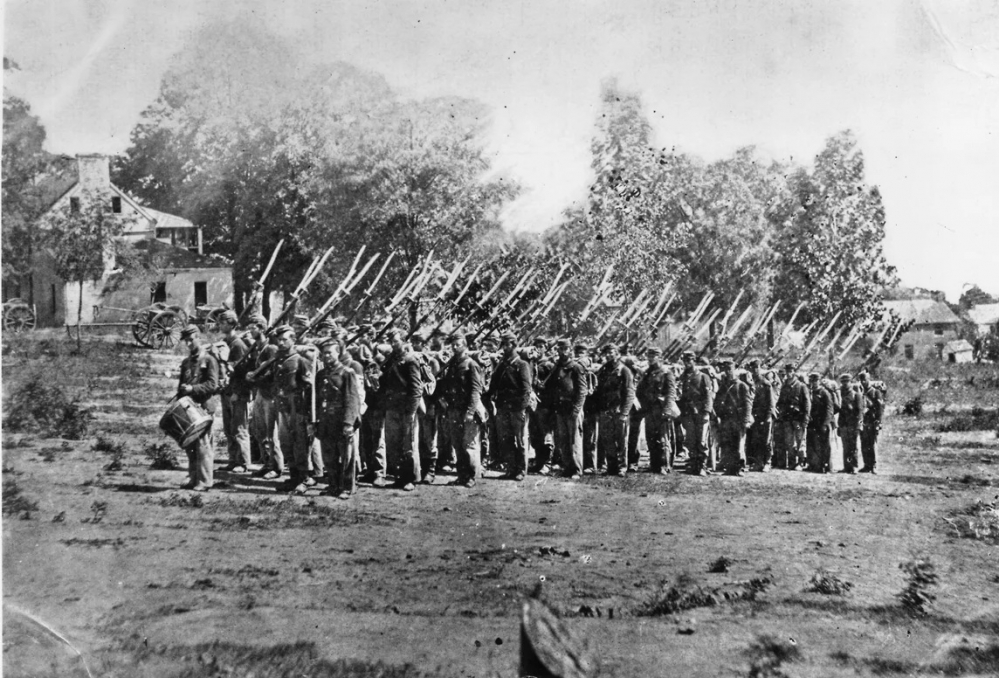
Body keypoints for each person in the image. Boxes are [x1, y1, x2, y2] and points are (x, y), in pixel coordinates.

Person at [315, 338, 363, 499]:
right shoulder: (321, 374)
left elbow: (352, 399)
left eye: (330, 352)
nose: (326, 356)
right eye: (324, 353)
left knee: (347, 456)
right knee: (329, 456)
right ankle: (333, 485)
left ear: (338, 353)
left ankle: (347, 487)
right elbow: (316, 400)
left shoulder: (347, 373)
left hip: (341, 420)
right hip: (326, 420)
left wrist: (349, 423)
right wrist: (314, 421)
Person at [377, 329, 423, 491]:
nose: (393, 344)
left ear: (404, 341)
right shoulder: (391, 359)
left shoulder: (411, 360)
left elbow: (416, 389)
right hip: (392, 407)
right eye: (391, 341)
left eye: (395, 341)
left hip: (406, 408)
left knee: (408, 445)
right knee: (393, 444)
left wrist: (411, 411)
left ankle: (410, 478)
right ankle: (399, 477)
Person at [272, 324, 316, 494]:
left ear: (293, 340)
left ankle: (304, 478)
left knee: (300, 445)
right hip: (283, 407)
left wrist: (308, 413)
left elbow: (309, 388)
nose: (281, 343)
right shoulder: (278, 360)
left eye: (284, 339)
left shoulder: (301, 361)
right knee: (286, 443)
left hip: (297, 408)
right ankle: (293, 477)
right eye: (279, 340)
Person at [176, 325, 220, 491]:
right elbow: (181, 386)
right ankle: (193, 478)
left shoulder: (209, 360)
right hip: (189, 408)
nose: (188, 344)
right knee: (190, 446)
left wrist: (193, 389)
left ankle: (205, 481)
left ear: (198, 338)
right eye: (186, 341)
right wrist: (180, 402)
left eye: (191, 340)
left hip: (204, 407)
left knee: (203, 446)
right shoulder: (186, 362)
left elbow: (212, 384)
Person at [438, 334, 484, 487]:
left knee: (469, 444)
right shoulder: (452, 364)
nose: (455, 347)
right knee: (457, 444)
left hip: (467, 410)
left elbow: (476, 390)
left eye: (458, 344)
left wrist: (470, 412)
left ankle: (471, 477)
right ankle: (462, 475)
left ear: (465, 346)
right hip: (454, 409)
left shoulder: (471, 364)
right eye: (453, 345)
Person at [487, 330, 533, 481]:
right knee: (505, 440)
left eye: (507, 345)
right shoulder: (502, 365)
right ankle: (511, 468)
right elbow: (494, 384)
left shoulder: (522, 365)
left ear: (514, 345)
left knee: (519, 440)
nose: (504, 348)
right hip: (503, 407)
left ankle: (521, 470)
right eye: (503, 345)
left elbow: (526, 389)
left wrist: (521, 408)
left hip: (517, 408)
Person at [540, 338, 587, 479]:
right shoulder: (557, 367)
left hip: (573, 408)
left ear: (570, 350)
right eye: (560, 349)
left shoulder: (576, 367)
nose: (563, 351)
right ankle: (567, 467)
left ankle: (577, 469)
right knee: (563, 440)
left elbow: (582, 391)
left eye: (565, 349)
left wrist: (577, 409)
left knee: (575, 440)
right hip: (561, 408)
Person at [246, 317, 284, 479]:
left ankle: (276, 466)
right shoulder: (256, 348)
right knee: (259, 430)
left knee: (271, 432)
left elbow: (272, 373)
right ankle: (267, 462)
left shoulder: (271, 349)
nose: (250, 331)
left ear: (262, 329)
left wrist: (255, 378)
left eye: (253, 328)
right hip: (260, 393)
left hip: (270, 394)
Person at [218, 310, 252, 473]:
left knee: (239, 428)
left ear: (232, 324)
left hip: (236, 394)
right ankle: (233, 460)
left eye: (223, 322)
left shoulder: (238, 345)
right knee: (229, 429)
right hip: (227, 391)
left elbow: (243, 373)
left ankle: (243, 463)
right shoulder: (225, 342)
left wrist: (237, 392)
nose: (220, 325)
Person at [595, 343, 635, 477]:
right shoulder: (603, 370)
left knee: (622, 441)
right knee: (608, 440)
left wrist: (625, 412)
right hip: (606, 410)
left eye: (611, 353)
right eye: (606, 353)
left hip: (619, 410)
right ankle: (611, 467)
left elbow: (630, 393)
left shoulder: (624, 370)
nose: (608, 355)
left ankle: (622, 467)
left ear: (617, 354)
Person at [636, 346, 678, 474]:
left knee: (663, 438)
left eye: (653, 356)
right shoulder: (647, 372)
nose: (650, 359)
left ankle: (664, 465)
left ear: (660, 357)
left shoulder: (666, 373)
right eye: (648, 356)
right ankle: (654, 464)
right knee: (651, 437)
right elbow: (641, 390)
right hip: (649, 409)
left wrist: (667, 410)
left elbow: (671, 393)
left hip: (661, 409)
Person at [713, 359, 753, 476]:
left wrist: (745, 420)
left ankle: (739, 468)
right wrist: (719, 414)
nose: (727, 372)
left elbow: (747, 405)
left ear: (735, 370)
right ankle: (730, 468)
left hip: (738, 419)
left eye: (730, 369)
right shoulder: (724, 386)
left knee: (739, 445)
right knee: (727, 444)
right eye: (726, 369)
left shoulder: (742, 386)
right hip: (726, 419)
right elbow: (717, 402)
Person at [678, 351, 713, 476]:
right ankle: (693, 464)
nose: (687, 363)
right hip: (688, 413)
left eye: (689, 360)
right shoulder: (683, 377)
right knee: (691, 440)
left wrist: (707, 411)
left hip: (701, 412)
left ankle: (702, 465)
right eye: (685, 361)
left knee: (702, 441)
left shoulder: (703, 376)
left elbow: (708, 396)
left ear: (694, 361)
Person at [775, 364, 810, 470]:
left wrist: (805, 418)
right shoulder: (784, 386)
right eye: (787, 371)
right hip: (787, 418)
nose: (788, 373)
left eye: (791, 371)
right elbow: (780, 401)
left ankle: (801, 462)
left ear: (794, 372)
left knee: (800, 441)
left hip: (798, 418)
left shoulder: (801, 386)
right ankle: (792, 462)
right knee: (789, 442)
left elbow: (807, 404)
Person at [747, 360, 778, 472]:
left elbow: (771, 402)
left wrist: (769, 416)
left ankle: (767, 462)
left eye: (756, 368)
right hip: (755, 415)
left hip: (765, 415)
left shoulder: (765, 383)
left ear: (759, 368)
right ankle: (758, 462)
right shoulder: (750, 382)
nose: (754, 370)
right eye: (752, 368)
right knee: (756, 440)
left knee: (766, 441)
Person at [806, 373, 835, 473]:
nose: (813, 383)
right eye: (811, 381)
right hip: (812, 422)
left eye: (815, 381)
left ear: (819, 381)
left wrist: (825, 423)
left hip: (822, 422)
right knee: (813, 444)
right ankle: (814, 465)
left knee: (825, 445)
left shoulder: (824, 393)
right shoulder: (809, 392)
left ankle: (826, 466)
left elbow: (829, 409)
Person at [837, 373, 864, 474]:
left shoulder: (856, 395)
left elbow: (860, 412)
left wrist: (859, 425)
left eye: (847, 381)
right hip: (843, 424)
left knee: (853, 446)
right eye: (843, 382)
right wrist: (839, 425)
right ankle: (847, 466)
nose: (845, 384)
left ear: (851, 382)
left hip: (853, 424)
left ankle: (854, 466)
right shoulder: (840, 394)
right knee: (845, 446)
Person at [859, 372, 884, 473]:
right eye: (861, 380)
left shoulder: (875, 392)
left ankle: (874, 465)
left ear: (869, 379)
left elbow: (880, 409)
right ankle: (866, 465)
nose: (863, 382)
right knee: (864, 444)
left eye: (864, 380)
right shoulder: (861, 392)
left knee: (872, 443)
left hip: (872, 421)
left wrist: (878, 422)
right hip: (864, 421)